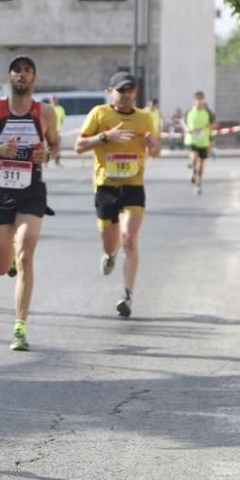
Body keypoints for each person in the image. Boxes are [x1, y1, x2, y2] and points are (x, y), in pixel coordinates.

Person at [0, 55, 59, 351]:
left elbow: (55, 144)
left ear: (34, 78)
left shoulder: (44, 113)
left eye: (27, 71)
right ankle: (6, 263)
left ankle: (20, 326)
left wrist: (48, 154)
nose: (22, 75)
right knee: (0, 265)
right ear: (9, 77)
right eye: (17, 71)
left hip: (30, 191)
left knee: (26, 253)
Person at [74, 71, 161, 318]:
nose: (126, 95)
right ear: (110, 91)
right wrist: (105, 137)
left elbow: (157, 151)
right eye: (121, 90)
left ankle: (127, 295)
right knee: (110, 242)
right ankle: (110, 255)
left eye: (130, 90)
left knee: (129, 238)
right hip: (106, 186)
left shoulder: (145, 118)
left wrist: (152, 145)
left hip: (134, 186)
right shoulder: (100, 114)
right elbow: (79, 147)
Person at [183, 91, 212, 195]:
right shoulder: (189, 111)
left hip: (204, 141)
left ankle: (198, 183)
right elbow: (183, 121)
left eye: (201, 99)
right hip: (192, 139)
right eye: (197, 99)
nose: (199, 101)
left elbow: (213, 124)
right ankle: (193, 168)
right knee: (194, 156)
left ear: (203, 100)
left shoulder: (208, 112)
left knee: (201, 163)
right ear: (194, 101)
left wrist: (210, 142)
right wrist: (186, 128)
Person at [49, 95, 66, 166]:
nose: (54, 100)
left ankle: (57, 161)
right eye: (53, 99)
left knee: (58, 146)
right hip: (49, 131)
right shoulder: (48, 108)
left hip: (57, 130)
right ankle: (46, 162)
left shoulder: (61, 109)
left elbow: (62, 120)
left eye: (55, 99)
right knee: (48, 146)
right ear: (50, 100)